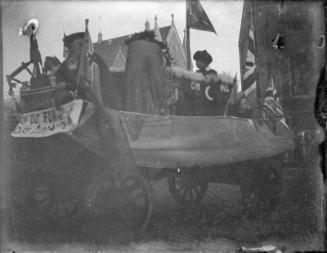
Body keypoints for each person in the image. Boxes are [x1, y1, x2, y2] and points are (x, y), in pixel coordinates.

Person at [192, 50, 230, 115]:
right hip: (198, 106)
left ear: (203, 61)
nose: (196, 63)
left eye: (197, 61)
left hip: (210, 106)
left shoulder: (213, 73)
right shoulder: (197, 73)